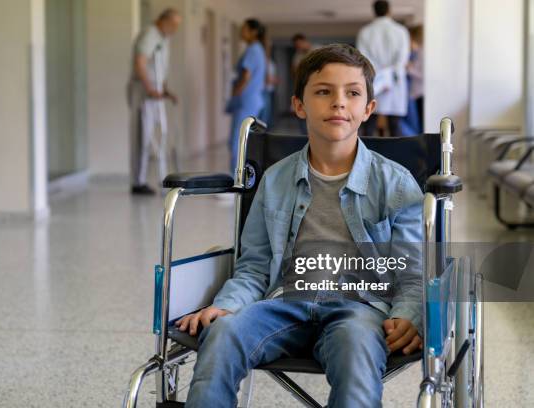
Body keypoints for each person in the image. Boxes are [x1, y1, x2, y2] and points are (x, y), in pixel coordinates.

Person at [179, 44, 423, 407]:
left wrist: (407, 314)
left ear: (368, 109)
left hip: (359, 310)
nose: (338, 102)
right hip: (283, 303)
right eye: (323, 91)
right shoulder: (275, 180)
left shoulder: (397, 185)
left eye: (352, 93)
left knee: (357, 354)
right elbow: (256, 265)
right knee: (223, 333)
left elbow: (413, 272)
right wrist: (228, 305)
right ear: (299, 105)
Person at [128, 9, 181, 195]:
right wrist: (150, 88)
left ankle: (161, 175)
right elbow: (140, 62)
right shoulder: (150, 34)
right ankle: (138, 182)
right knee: (143, 136)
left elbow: (160, 67)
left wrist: (165, 90)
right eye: (173, 25)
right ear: (163, 20)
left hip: (155, 90)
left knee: (159, 134)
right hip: (144, 91)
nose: (175, 29)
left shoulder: (163, 38)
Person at [357, 0, 410, 136]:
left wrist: (380, 75)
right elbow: (402, 57)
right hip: (395, 80)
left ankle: (364, 155)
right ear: (389, 11)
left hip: (375, 79)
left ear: (374, 12)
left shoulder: (365, 32)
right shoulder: (400, 31)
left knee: (369, 120)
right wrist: (390, 75)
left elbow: (364, 57)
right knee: (394, 124)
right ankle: (397, 155)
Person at [225, 19, 267, 174]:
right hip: (253, 100)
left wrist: (236, 90)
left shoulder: (253, 49)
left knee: (237, 141)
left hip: (247, 100)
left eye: (244, 29)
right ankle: (241, 179)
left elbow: (246, 74)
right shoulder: (258, 49)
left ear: (253, 32)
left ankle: (234, 182)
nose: (241, 32)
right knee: (243, 140)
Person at [259, 42, 279, 129]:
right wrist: (272, 80)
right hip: (263, 91)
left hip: (270, 90)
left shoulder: (270, 61)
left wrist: (274, 80)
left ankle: (264, 135)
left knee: (267, 116)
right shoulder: (261, 61)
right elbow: (265, 78)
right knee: (263, 116)